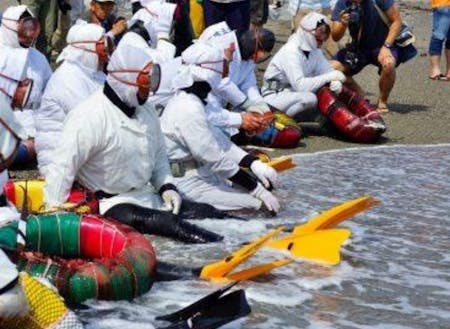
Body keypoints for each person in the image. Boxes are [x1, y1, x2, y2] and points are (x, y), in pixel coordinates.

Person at [43, 32, 222, 243]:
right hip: (111, 205)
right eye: (146, 81)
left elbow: (159, 157)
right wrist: (55, 224)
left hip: (146, 196)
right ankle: (219, 246)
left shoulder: (146, 111)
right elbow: (62, 168)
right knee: (167, 224)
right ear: (126, 80)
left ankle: (248, 238)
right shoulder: (88, 116)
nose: (150, 90)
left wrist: (167, 187)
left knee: (204, 211)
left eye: (153, 81)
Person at [160, 46, 280, 214]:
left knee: (263, 194)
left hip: (205, 174)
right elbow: (214, 157)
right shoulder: (188, 108)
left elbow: (220, 142)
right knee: (260, 207)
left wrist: (252, 163)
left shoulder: (196, 102)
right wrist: (256, 189)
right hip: (189, 183)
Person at [34, 22, 108, 177]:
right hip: (60, 164)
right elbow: (93, 120)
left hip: (81, 155)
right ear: (88, 49)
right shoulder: (68, 77)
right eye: (101, 46)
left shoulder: (92, 74)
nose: (106, 51)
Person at [330, 0, 416, 113]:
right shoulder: (343, 3)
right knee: (331, 70)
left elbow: (396, 21)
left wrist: (386, 46)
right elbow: (335, 36)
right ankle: (359, 93)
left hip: (383, 44)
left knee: (389, 64)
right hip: (359, 47)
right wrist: (342, 24)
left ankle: (382, 101)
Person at [262, 12, 346, 118]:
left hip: (291, 92)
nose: (323, 37)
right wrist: (328, 77)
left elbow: (328, 72)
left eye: (326, 33)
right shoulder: (291, 50)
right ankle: (282, 120)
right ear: (306, 30)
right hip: (274, 94)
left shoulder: (315, 50)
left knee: (321, 94)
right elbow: (300, 85)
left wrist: (335, 81)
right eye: (320, 32)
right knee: (310, 98)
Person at [0, 5, 52, 166]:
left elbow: (51, 97)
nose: (30, 34)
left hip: (34, 129)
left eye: (33, 28)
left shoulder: (39, 59)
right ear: (11, 27)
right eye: (25, 28)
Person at [428, 0, 450, 80]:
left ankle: (439, 69)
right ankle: (435, 69)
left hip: (442, 5)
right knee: (438, 36)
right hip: (443, 4)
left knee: (439, 36)